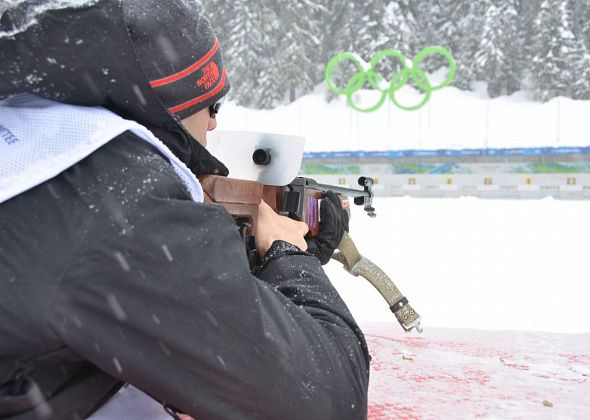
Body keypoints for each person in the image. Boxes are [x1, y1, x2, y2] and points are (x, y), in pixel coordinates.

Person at [0, 0, 369, 419]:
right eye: (212, 106)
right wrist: (290, 259)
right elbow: (328, 397)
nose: (213, 125)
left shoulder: (36, 142)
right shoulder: (113, 202)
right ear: (168, 105)